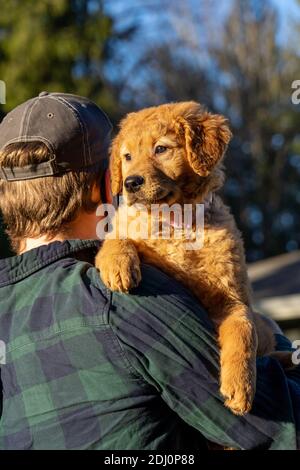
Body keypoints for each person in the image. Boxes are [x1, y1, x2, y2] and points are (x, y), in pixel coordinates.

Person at [0, 92, 299, 450]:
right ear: (106, 184)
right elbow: (274, 426)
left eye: (160, 150)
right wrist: (279, 343)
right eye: (127, 160)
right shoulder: (132, 297)